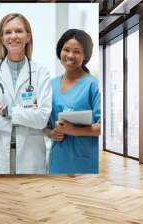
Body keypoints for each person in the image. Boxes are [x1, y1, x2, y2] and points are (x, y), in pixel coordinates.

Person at [0, 13, 52, 174]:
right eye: (8, 32)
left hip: (30, 154)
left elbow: (42, 118)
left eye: (19, 31)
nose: (13, 36)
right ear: (2, 38)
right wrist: (28, 117)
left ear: (28, 36)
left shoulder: (41, 73)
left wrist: (6, 111)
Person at [45, 29, 101, 174]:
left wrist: (73, 130)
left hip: (85, 161)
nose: (70, 55)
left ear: (85, 56)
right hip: (58, 160)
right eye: (66, 50)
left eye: (77, 51)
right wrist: (50, 133)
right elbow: (43, 123)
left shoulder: (92, 85)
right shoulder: (50, 85)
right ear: (60, 51)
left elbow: (102, 127)